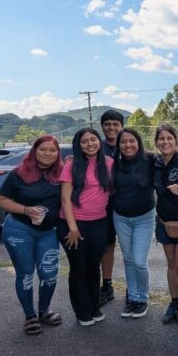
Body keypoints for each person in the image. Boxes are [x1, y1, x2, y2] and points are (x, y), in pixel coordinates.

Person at [0, 135, 64, 335]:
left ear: (57, 153)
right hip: (19, 229)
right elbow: (0, 199)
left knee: (49, 274)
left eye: (52, 150)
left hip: (48, 231)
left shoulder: (62, 173)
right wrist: (25, 209)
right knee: (25, 273)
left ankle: (44, 310)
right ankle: (30, 315)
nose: (48, 154)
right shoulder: (19, 173)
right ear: (34, 151)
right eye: (43, 149)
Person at [58, 127, 114, 326]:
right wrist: (73, 228)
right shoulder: (72, 166)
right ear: (78, 145)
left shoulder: (109, 164)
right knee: (79, 267)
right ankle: (82, 311)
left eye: (93, 139)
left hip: (99, 222)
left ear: (99, 141)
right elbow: (65, 198)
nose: (90, 144)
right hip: (73, 223)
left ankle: (94, 306)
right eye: (84, 141)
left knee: (93, 265)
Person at [112, 127, 156, 319]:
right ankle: (133, 296)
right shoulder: (114, 164)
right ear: (119, 145)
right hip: (120, 217)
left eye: (131, 141)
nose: (127, 145)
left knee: (139, 261)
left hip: (144, 218)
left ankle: (143, 298)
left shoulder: (150, 160)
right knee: (128, 259)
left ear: (138, 142)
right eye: (123, 142)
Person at [153, 123, 178, 325]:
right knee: (171, 263)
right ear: (156, 142)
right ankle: (174, 303)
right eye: (161, 139)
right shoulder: (154, 162)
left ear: (176, 140)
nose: (165, 142)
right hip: (163, 221)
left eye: (169, 138)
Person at [99, 109, 124, 304]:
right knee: (107, 246)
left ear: (121, 126)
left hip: (126, 205)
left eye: (115, 124)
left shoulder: (129, 145)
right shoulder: (96, 147)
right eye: (107, 124)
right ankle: (106, 284)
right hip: (103, 207)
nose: (111, 127)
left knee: (131, 251)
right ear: (102, 127)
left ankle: (134, 289)